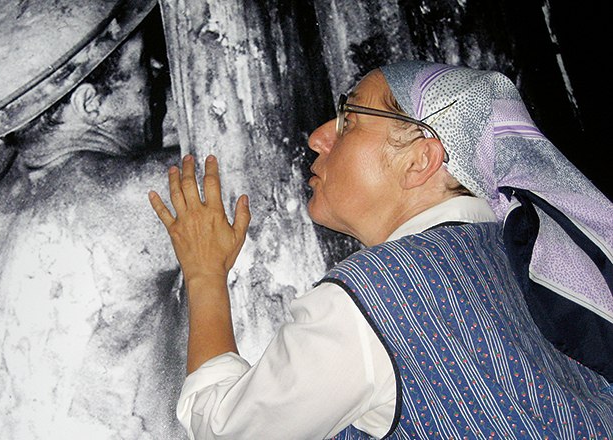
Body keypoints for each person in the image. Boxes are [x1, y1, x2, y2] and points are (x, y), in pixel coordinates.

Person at [149, 61, 613, 438]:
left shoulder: (369, 302)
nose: (317, 137)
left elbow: (223, 430)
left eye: (349, 120)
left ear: (419, 160)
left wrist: (205, 273)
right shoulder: (535, 267)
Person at [0, 0, 187, 438]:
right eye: (138, 65)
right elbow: (258, 161)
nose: (155, 70)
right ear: (90, 103)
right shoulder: (121, 199)